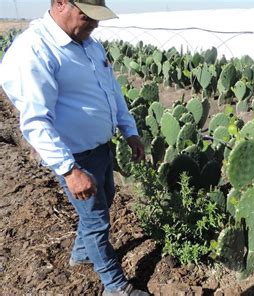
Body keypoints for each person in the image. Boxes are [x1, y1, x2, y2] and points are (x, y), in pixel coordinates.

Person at [1, 0, 149, 295]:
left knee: (104, 202)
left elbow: (112, 90)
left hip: (102, 148)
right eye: (88, 16)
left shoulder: (90, 45)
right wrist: (69, 170)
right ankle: (115, 286)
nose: (95, 24)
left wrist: (129, 131)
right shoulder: (35, 49)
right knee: (96, 221)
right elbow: (35, 121)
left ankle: (81, 255)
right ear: (60, 4)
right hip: (75, 156)